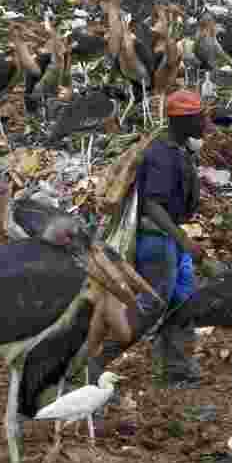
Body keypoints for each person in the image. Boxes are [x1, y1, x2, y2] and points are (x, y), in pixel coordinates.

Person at [88, 90, 205, 401]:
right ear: (183, 121)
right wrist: (184, 241)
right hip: (156, 239)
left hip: (171, 238)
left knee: (182, 301)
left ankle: (178, 368)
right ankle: (97, 363)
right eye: (200, 118)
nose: (206, 123)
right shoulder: (161, 155)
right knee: (151, 306)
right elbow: (152, 204)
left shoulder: (176, 148)